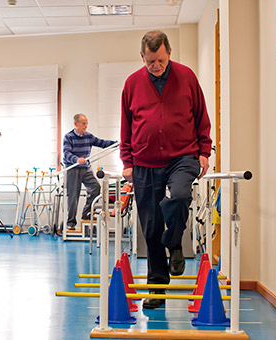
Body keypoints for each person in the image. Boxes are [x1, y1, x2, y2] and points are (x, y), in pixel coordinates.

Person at [120, 30, 212, 309]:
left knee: (181, 195)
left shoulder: (187, 77)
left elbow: (201, 117)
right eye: (150, 62)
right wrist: (127, 162)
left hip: (182, 156)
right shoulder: (132, 83)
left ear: (169, 53)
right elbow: (126, 125)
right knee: (151, 228)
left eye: (160, 60)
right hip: (144, 163)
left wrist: (204, 152)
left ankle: (174, 243)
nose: (156, 66)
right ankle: (157, 290)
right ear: (142, 57)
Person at [63, 113, 117, 230]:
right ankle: (71, 222)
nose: (85, 126)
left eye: (86, 123)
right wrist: (76, 159)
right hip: (73, 169)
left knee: (95, 187)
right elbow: (66, 153)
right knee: (73, 196)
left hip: (86, 169)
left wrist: (116, 144)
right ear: (76, 124)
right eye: (83, 123)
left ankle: (86, 215)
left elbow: (102, 143)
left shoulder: (88, 136)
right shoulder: (68, 137)